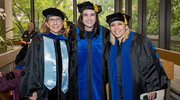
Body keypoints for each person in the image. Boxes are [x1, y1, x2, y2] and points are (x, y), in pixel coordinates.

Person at [105, 12, 168, 100]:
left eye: (120, 24)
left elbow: (150, 63)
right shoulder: (111, 45)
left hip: (136, 87)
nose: (116, 28)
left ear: (126, 26)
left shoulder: (138, 40)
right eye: (112, 25)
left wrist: (152, 87)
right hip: (116, 88)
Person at [18, 8, 70, 100]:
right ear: (47, 23)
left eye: (58, 19)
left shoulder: (66, 42)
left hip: (63, 90)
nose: (55, 23)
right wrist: (33, 90)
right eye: (51, 20)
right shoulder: (38, 40)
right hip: (43, 89)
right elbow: (31, 65)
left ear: (62, 23)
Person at [68, 1, 110, 100]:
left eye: (92, 15)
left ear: (96, 17)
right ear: (81, 17)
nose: (89, 18)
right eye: (85, 15)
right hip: (77, 83)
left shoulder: (105, 34)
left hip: (100, 82)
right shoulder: (73, 34)